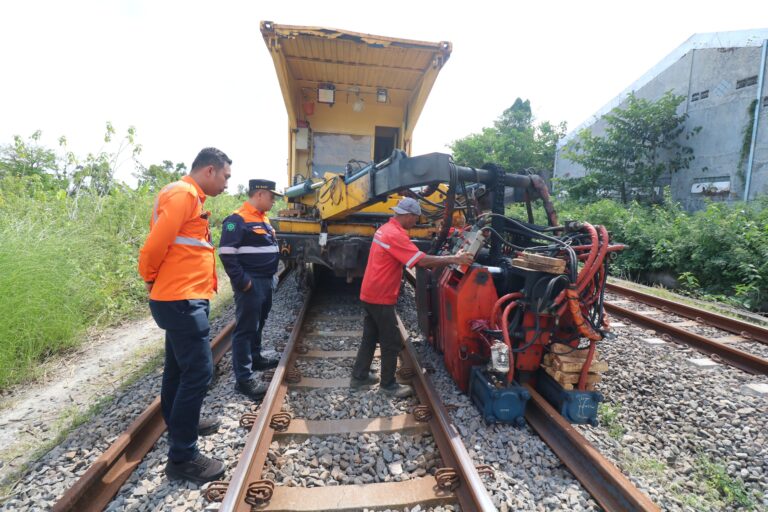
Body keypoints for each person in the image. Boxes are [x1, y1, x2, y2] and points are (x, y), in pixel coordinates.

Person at [138, 147, 231, 484]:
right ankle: (183, 456)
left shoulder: (190, 197)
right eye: (225, 176)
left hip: (183, 296)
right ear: (209, 170)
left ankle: (180, 425)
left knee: (178, 368)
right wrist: (151, 279)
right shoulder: (183, 194)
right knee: (199, 372)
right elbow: (153, 246)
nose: (226, 184)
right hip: (180, 298)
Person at [351, 197, 475, 398]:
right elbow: (421, 261)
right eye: (415, 218)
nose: (416, 222)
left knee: (370, 336)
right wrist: (455, 258)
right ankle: (388, 386)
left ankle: (359, 377)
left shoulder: (385, 228)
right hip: (381, 295)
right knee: (391, 341)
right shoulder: (396, 235)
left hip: (370, 292)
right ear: (407, 216)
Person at [218, 179, 282, 400]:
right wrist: (243, 282)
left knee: (259, 322)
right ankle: (244, 379)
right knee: (245, 329)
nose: (274, 200)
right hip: (251, 282)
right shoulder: (236, 219)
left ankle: (255, 357)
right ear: (260, 194)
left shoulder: (262, 218)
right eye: (272, 196)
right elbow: (226, 253)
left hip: (265, 280)